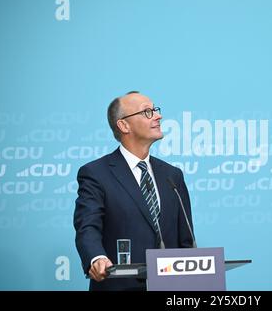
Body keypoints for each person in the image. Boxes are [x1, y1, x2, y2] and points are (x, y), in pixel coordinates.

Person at [73, 91, 195, 291]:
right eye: (147, 112)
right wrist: (97, 257)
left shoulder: (172, 175)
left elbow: (186, 240)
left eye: (155, 110)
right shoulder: (96, 173)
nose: (158, 116)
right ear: (124, 125)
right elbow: (87, 226)